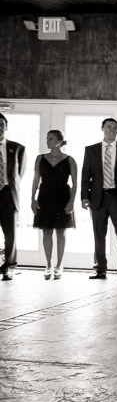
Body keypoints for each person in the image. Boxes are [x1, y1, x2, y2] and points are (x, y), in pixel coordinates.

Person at [81, 118, 117, 280]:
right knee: (98, 234)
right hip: (97, 198)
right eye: (109, 127)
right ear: (102, 128)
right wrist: (84, 196)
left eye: (115, 127)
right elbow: (86, 175)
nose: (112, 130)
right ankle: (100, 269)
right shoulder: (91, 150)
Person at [31, 130, 77, 279]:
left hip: (62, 197)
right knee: (46, 231)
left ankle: (59, 264)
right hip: (44, 196)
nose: (47, 141)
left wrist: (71, 202)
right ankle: (48, 264)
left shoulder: (70, 160)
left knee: (61, 231)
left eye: (51, 138)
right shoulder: (40, 158)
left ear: (59, 141)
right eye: (47, 138)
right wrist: (33, 198)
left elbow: (75, 183)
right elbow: (35, 180)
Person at [0, 113, 26, 282]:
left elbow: (20, 173)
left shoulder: (17, 148)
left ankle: (8, 268)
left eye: (2, 124)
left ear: (6, 127)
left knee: (10, 234)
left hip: (9, 194)